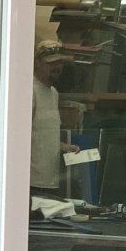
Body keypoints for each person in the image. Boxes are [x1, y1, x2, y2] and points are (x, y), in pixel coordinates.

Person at [30, 39, 78, 197]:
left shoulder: (53, 93)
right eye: (50, 63)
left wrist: (64, 147)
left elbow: (43, 133)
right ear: (37, 62)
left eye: (59, 63)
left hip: (51, 180)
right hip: (32, 182)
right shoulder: (29, 90)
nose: (57, 68)